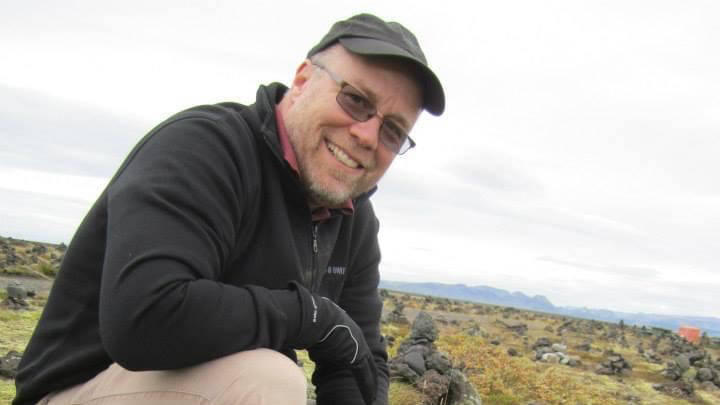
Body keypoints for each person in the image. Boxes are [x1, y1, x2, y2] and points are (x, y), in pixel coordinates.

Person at [13, 13, 444, 405]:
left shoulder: (353, 218)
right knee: (268, 382)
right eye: (355, 100)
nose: (368, 136)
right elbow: (143, 319)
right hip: (76, 390)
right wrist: (311, 316)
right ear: (302, 79)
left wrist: (339, 350)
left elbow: (358, 357)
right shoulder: (204, 149)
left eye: (392, 131)